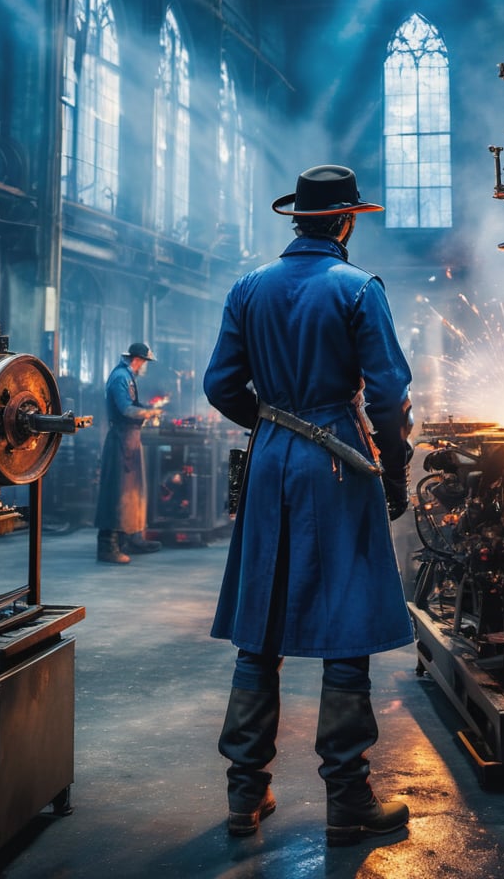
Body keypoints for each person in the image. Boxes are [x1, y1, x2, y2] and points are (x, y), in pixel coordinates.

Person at [203, 164, 414, 846]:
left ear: (298, 219)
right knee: (346, 621)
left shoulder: (248, 287)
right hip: (340, 465)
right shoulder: (358, 290)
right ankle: (347, 800)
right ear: (347, 221)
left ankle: (244, 794)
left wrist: (271, 427)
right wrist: (395, 466)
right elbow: (386, 394)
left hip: (270, 463)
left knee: (260, 622)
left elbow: (219, 385)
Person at [95, 341, 163, 564]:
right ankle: (108, 546)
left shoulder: (128, 376)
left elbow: (133, 403)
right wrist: (150, 413)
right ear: (137, 359)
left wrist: (149, 409)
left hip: (130, 440)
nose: (145, 366)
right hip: (120, 440)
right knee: (117, 493)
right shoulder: (120, 378)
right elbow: (126, 409)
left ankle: (133, 537)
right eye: (144, 362)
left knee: (133, 492)